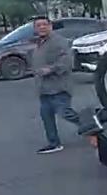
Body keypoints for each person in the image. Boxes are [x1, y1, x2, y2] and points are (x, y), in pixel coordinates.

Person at [31, 16, 79, 154]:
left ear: (50, 26)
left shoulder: (59, 42)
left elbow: (67, 62)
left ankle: (93, 127)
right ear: (35, 28)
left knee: (66, 113)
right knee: (46, 116)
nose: (41, 27)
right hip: (44, 88)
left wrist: (50, 69)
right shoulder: (39, 43)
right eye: (38, 25)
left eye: (44, 24)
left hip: (59, 87)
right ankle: (54, 143)